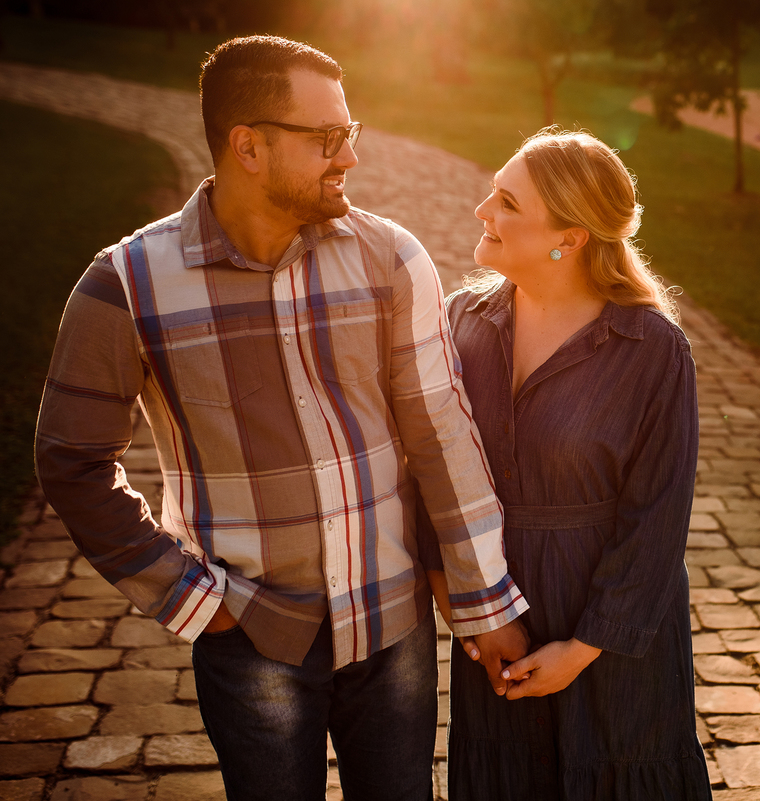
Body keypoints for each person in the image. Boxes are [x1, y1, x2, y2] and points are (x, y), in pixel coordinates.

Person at [34, 35, 529, 801]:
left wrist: (483, 601)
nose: (350, 159)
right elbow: (72, 460)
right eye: (327, 139)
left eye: (350, 134)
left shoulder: (390, 258)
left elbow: (442, 433)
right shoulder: (125, 285)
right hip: (250, 637)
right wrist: (195, 598)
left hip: (393, 625)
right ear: (249, 147)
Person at [420, 128, 711, 800]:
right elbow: (431, 471)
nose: (482, 211)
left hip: (615, 638)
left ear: (570, 236)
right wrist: (469, 615)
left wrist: (582, 649)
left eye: (507, 202)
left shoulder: (651, 350)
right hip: (496, 626)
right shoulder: (461, 322)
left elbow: (657, 522)